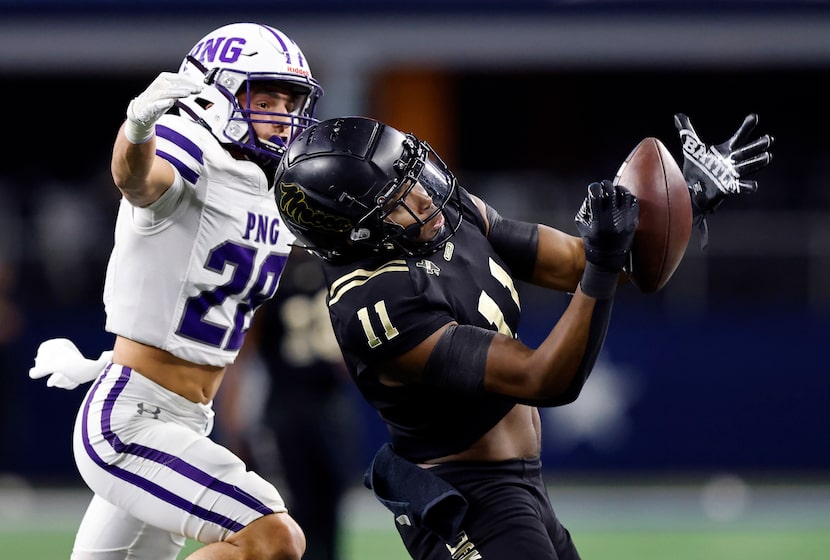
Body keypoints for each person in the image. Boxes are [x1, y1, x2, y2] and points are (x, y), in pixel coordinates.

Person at [271, 115, 773, 559]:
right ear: (355, 232)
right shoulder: (376, 302)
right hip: (467, 502)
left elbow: (579, 261)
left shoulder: (447, 213)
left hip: (523, 486)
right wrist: (602, 260)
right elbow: (545, 379)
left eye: (413, 173)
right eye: (398, 198)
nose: (425, 195)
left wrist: (676, 203)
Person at [28, 22, 324, 560]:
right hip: (133, 419)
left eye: (291, 99)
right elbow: (135, 180)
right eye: (266, 96)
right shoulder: (191, 146)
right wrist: (137, 127)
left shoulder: (271, 187)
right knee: (274, 537)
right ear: (216, 92)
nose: (283, 112)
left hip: (184, 419)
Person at [219, 247, 364, 560]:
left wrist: (233, 422)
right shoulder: (336, 270)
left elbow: (241, 358)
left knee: (316, 507)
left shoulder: (271, 276)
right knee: (305, 509)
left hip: (304, 409)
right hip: (316, 409)